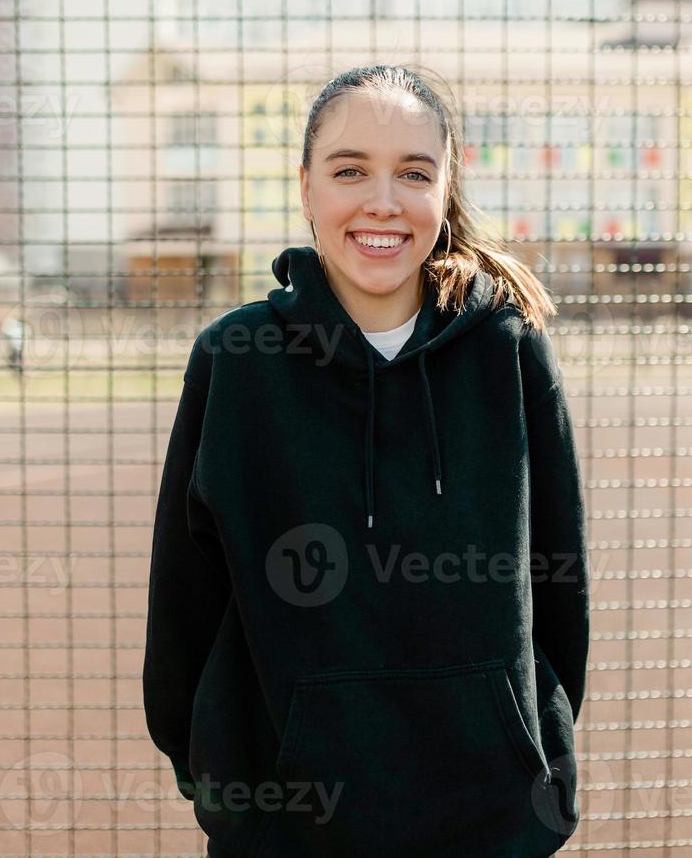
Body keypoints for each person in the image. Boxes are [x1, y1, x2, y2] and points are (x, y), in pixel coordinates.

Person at [143, 64, 590, 857]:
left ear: (444, 192)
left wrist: (523, 746)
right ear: (307, 188)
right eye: (351, 170)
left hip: (490, 828)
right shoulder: (235, 363)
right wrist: (232, 790)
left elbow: (559, 595)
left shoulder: (509, 354)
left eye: (413, 173)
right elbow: (184, 609)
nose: (382, 201)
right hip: (288, 835)